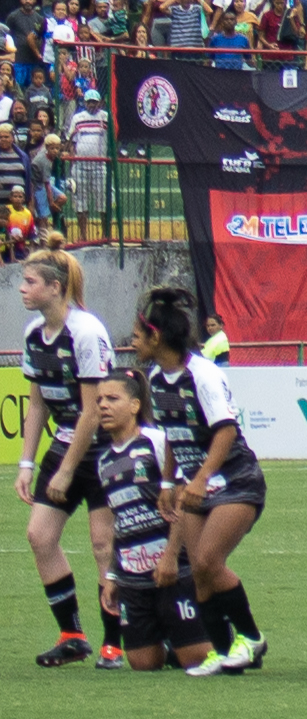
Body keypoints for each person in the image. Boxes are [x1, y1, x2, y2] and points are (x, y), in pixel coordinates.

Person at [129, 285, 268, 676]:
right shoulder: (155, 378)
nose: (133, 343)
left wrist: (201, 477)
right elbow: (175, 436)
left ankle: (252, 637)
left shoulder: (202, 374)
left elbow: (225, 431)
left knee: (208, 561)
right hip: (195, 485)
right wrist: (169, 483)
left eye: (138, 336)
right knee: (199, 575)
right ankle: (224, 653)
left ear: (156, 337)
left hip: (236, 480)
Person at [17, 248, 115, 667]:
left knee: (102, 545)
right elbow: (37, 403)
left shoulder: (86, 332)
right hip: (66, 446)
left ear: (55, 287)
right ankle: (73, 634)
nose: (22, 288)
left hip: (106, 449)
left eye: (30, 282)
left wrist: (67, 470)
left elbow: (93, 411)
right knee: (40, 536)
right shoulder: (33, 334)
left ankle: (116, 642)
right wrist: (27, 464)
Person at [83, 373, 203, 672]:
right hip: (133, 576)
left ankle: (218, 627)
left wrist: (172, 556)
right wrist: (112, 576)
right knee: (143, 664)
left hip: (171, 569)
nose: (103, 406)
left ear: (135, 405)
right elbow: (118, 524)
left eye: (112, 399)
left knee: (195, 659)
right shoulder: (102, 461)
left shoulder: (157, 442)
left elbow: (181, 502)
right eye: (99, 400)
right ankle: (169, 637)